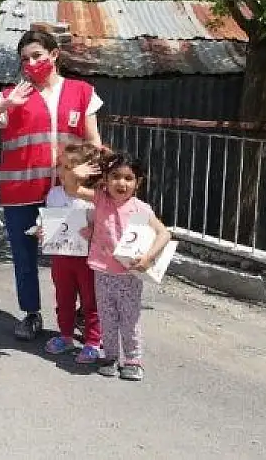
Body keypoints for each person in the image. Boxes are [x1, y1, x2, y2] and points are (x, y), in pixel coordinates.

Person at [0, 26, 103, 341]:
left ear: (54, 55)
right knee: (24, 257)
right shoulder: (14, 95)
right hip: (21, 192)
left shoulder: (82, 92)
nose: (31, 63)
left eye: (37, 55)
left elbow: (93, 140)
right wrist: (7, 104)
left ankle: (81, 318)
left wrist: (100, 179)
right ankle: (31, 314)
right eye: (25, 59)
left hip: (67, 192)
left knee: (75, 256)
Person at [70, 152, 171, 381]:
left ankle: (133, 360)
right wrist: (75, 174)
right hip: (102, 273)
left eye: (128, 178)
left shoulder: (141, 209)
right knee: (107, 317)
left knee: (129, 318)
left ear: (138, 182)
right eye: (115, 176)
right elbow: (72, 189)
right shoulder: (100, 200)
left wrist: (147, 258)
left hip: (129, 276)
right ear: (105, 179)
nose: (121, 183)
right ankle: (110, 357)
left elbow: (164, 233)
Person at [37, 142, 104, 363]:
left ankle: (93, 341)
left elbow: (104, 225)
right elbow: (47, 218)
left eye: (70, 168)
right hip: (62, 257)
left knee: (90, 301)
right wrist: (41, 228)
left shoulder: (94, 197)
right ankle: (65, 336)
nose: (63, 172)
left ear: (88, 171)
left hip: (87, 259)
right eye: (62, 167)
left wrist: (93, 230)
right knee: (63, 298)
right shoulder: (54, 193)